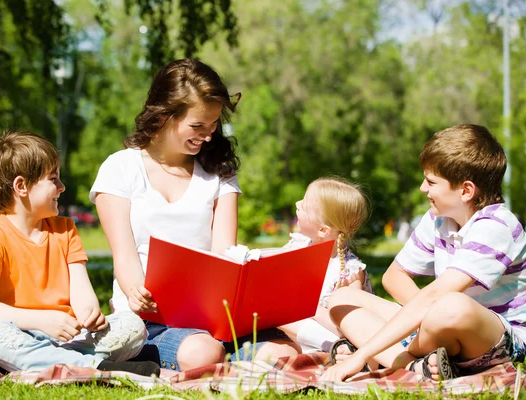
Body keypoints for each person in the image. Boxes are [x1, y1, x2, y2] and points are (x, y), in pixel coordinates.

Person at [90, 58, 300, 371]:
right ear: (163, 116)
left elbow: (224, 255)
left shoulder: (219, 174)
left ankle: (226, 354)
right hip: (150, 320)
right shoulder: (121, 168)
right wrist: (136, 292)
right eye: (197, 126)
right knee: (202, 353)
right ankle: (192, 355)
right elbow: (124, 255)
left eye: (214, 125)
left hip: (215, 317)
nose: (208, 136)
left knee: (286, 354)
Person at [324, 124, 526, 382]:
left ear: (466, 190)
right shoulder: (438, 218)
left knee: (452, 305)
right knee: (342, 297)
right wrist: (426, 318)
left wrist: (360, 355)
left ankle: (399, 360)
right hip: (439, 325)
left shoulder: (497, 225)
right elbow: (393, 278)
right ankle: (419, 367)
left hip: (498, 340)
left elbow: (439, 297)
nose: (423, 188)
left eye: (431, 181)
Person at [0, 131, 159, 376]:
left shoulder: (65, 229)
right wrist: (42, 321)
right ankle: (94, 366)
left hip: (69, 337)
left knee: (133, 326)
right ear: (21, 186)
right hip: (19, 333)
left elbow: (82, 294)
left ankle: (50, 362)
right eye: (53, 179)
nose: (62, 187)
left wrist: (90, 315)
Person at [277, 178, 373, 355]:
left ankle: (338, 349)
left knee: (280, 314)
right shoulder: (297, 246)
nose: (297, 204)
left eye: (304, 206)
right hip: (298, 331)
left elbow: (351, 325)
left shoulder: (348, 272)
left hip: (329, 335)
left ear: (323, 230)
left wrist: (308, 307)